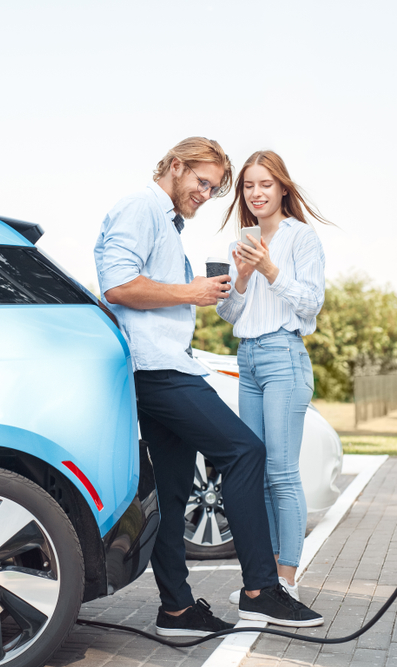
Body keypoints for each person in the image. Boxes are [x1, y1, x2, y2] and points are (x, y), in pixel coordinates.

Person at [94, 137, 323, 636]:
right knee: (245, 452)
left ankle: (177, 610)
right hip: (159, 369)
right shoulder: (141, 208)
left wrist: (214, 286)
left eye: (215, 188)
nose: (206, 194)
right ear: (176, 166)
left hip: (164, 365)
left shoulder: (167, 222)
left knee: (172, 492)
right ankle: (261, 591)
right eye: (202, 182)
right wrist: (193, 290)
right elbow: (117, 286)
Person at [216, 150, 328, 608]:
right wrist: (242, 277)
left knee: (282, 472)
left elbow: (312, 302)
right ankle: (265, 580)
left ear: (282, 188)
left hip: (284, 356)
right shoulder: (241, 243)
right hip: (248, 359)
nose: (256, 193)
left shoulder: (301, 237)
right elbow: (228, 313)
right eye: (248, 186)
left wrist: (269, 270)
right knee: (257, 471)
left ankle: (287, 579)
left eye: (265, 184)